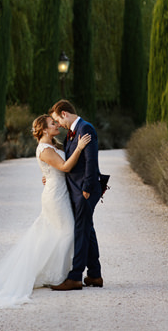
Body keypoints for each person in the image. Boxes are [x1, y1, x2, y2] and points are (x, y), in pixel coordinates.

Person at [0, 115, 91, 308]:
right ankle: (59, 275)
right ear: (43, 130)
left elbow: (53, 171)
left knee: (55, 233)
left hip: (59, 192)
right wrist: (80, 148)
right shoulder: (44, 149)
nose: (57, 125)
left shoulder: (54, 145)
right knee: (67, 232)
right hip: (54, 196)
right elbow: (65, 167)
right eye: (52, 124)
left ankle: (54, 272)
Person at [49, 99, 104, 291]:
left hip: (84, 190)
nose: (58, 124)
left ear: (64, 113)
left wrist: (87, 188)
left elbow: (91, 161)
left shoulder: (85, 128)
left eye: (57, 120)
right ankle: (95, 275)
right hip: (77, 189)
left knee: (80, 230)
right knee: (87, 230)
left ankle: (75, 277)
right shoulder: (72, 133)